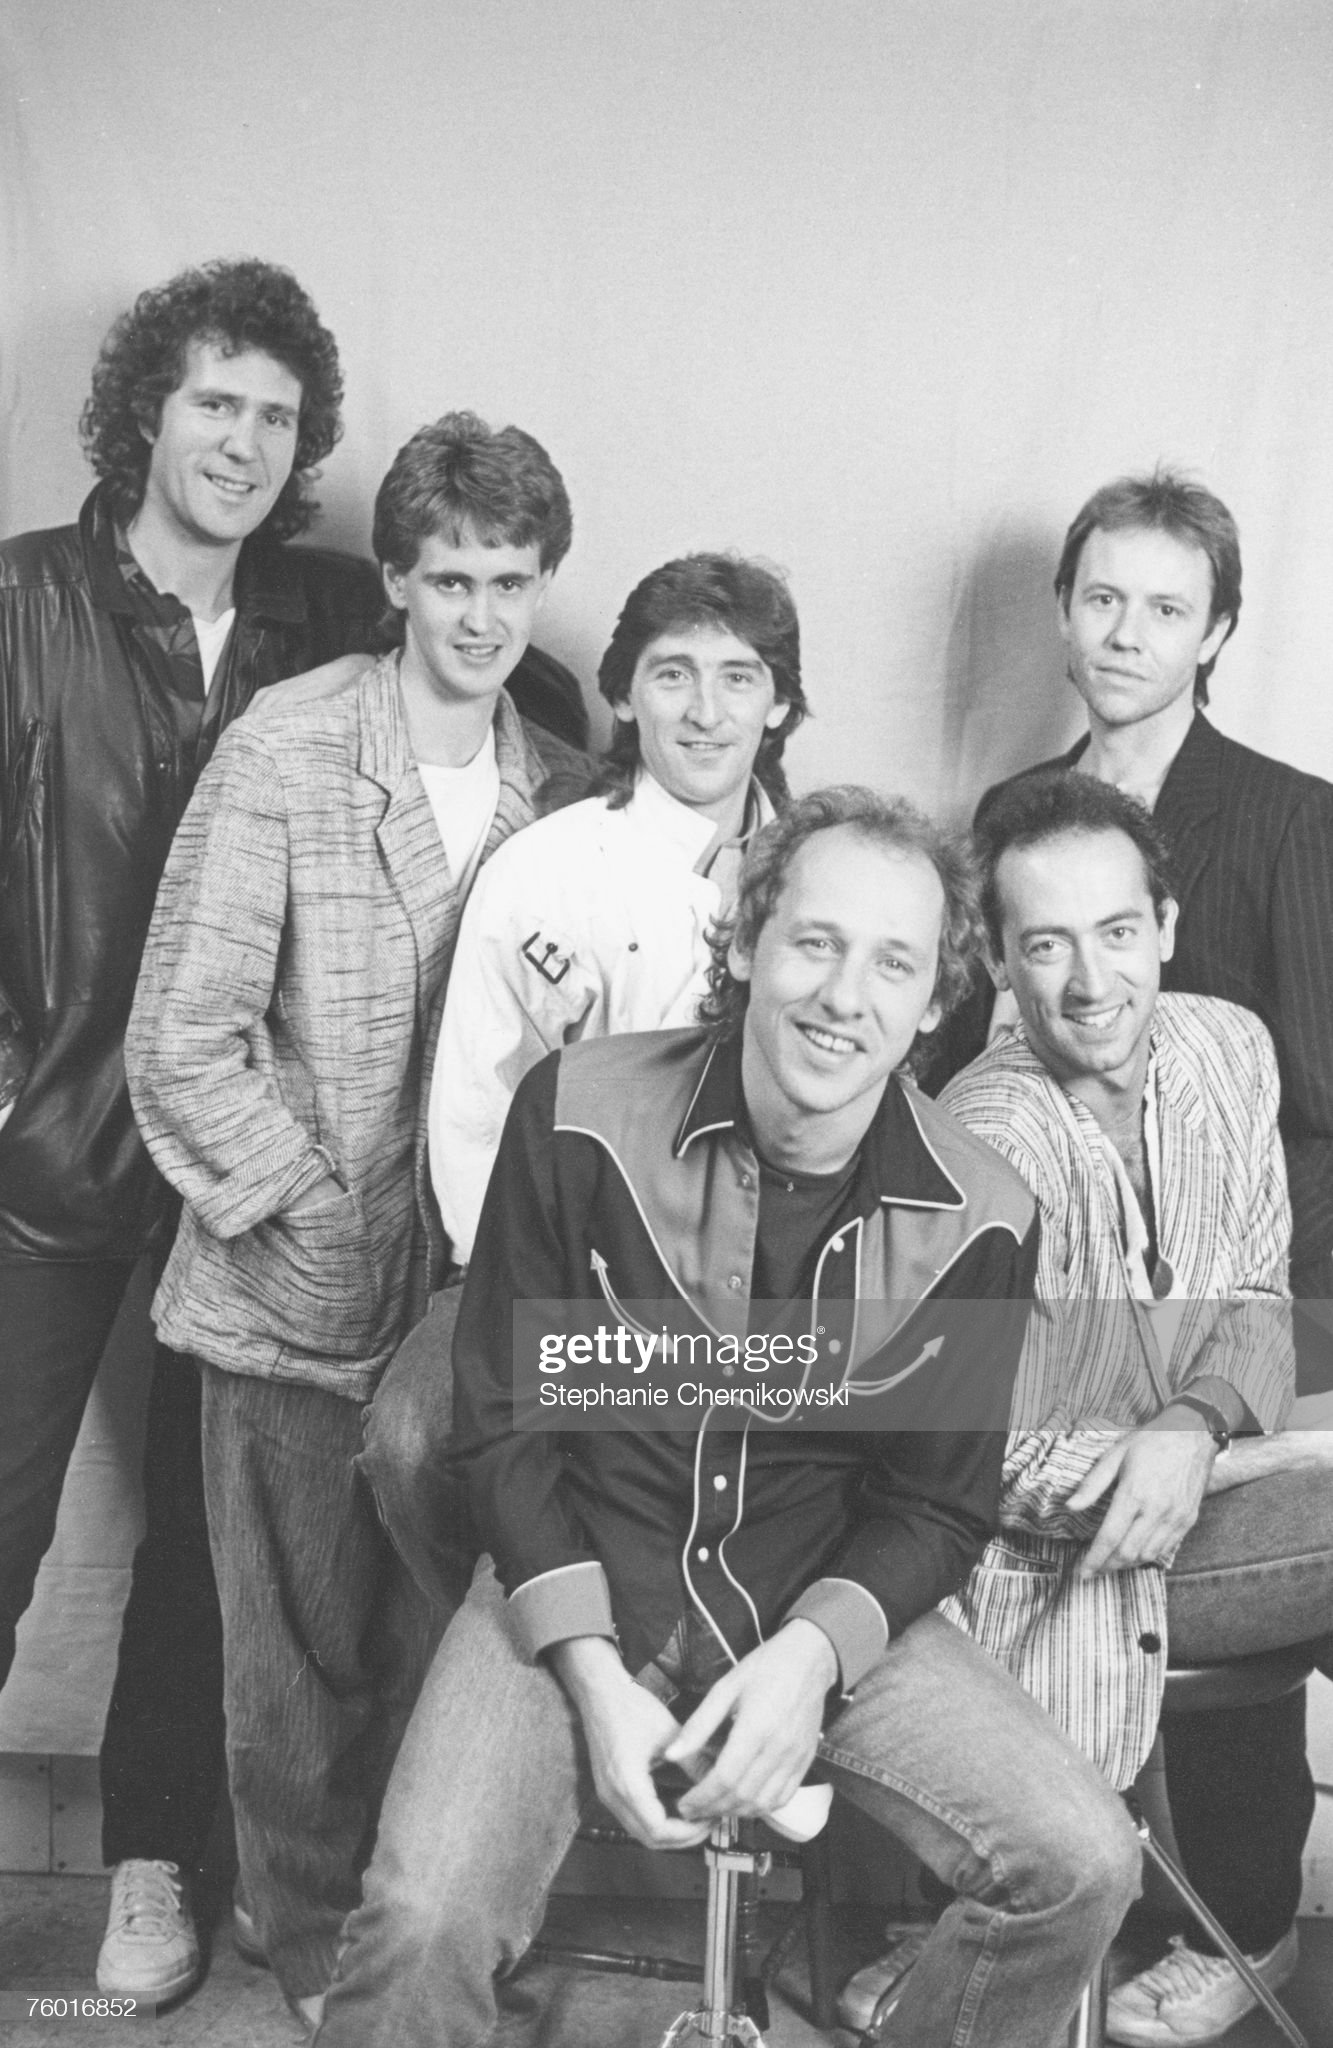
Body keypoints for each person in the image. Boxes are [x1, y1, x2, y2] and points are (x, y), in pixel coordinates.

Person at [313, 786, 1143, 2048]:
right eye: (814, 941)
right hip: (585, 1565)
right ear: (748, 941)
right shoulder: (577, 1110)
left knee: (1079, 1860)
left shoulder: (984, 1211)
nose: (843, 995)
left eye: (894, 963)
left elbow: (935, 1503)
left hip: (817, 1589)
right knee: (421, 1918)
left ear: (932, 1004)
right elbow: (505, 1420)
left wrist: (808, 1663)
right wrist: (592, 1677)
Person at [124, 411, 582, 2029]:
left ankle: (411, 1943)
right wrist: (311, 1208)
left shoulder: (559, 786)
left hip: (465, 1304)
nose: (479, 613)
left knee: (428, 1649)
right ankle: (313, 1943)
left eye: (509, 580)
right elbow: (180, 1033)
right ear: (394, 578)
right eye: (449, 578)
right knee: (292, 1663)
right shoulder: (290, 746)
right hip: (285, 1291)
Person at [0, 256, 386, 2007]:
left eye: (276, 417)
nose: (242, 442)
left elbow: (492, 666)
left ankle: (152, 1860)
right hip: (44, 1163)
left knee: (204, 1556)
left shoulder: (328, 615)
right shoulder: (22, 602)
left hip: (234, 1178)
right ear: (142, 413)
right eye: (213, 402)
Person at [938, 773, 1333, 2047]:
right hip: (1062, 1555)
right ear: (999, 958)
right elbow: (979, 1446)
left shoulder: (1228, 1047)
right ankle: (1225, 1924)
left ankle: (1232, 1919)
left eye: (1115, 930)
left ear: (1165, 922)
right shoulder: (980, 1134)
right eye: (1046, 944)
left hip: (1205, 1478)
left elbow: (1254, 1294)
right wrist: (1159, 1453)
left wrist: (1194, 1421)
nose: (1089, 980)